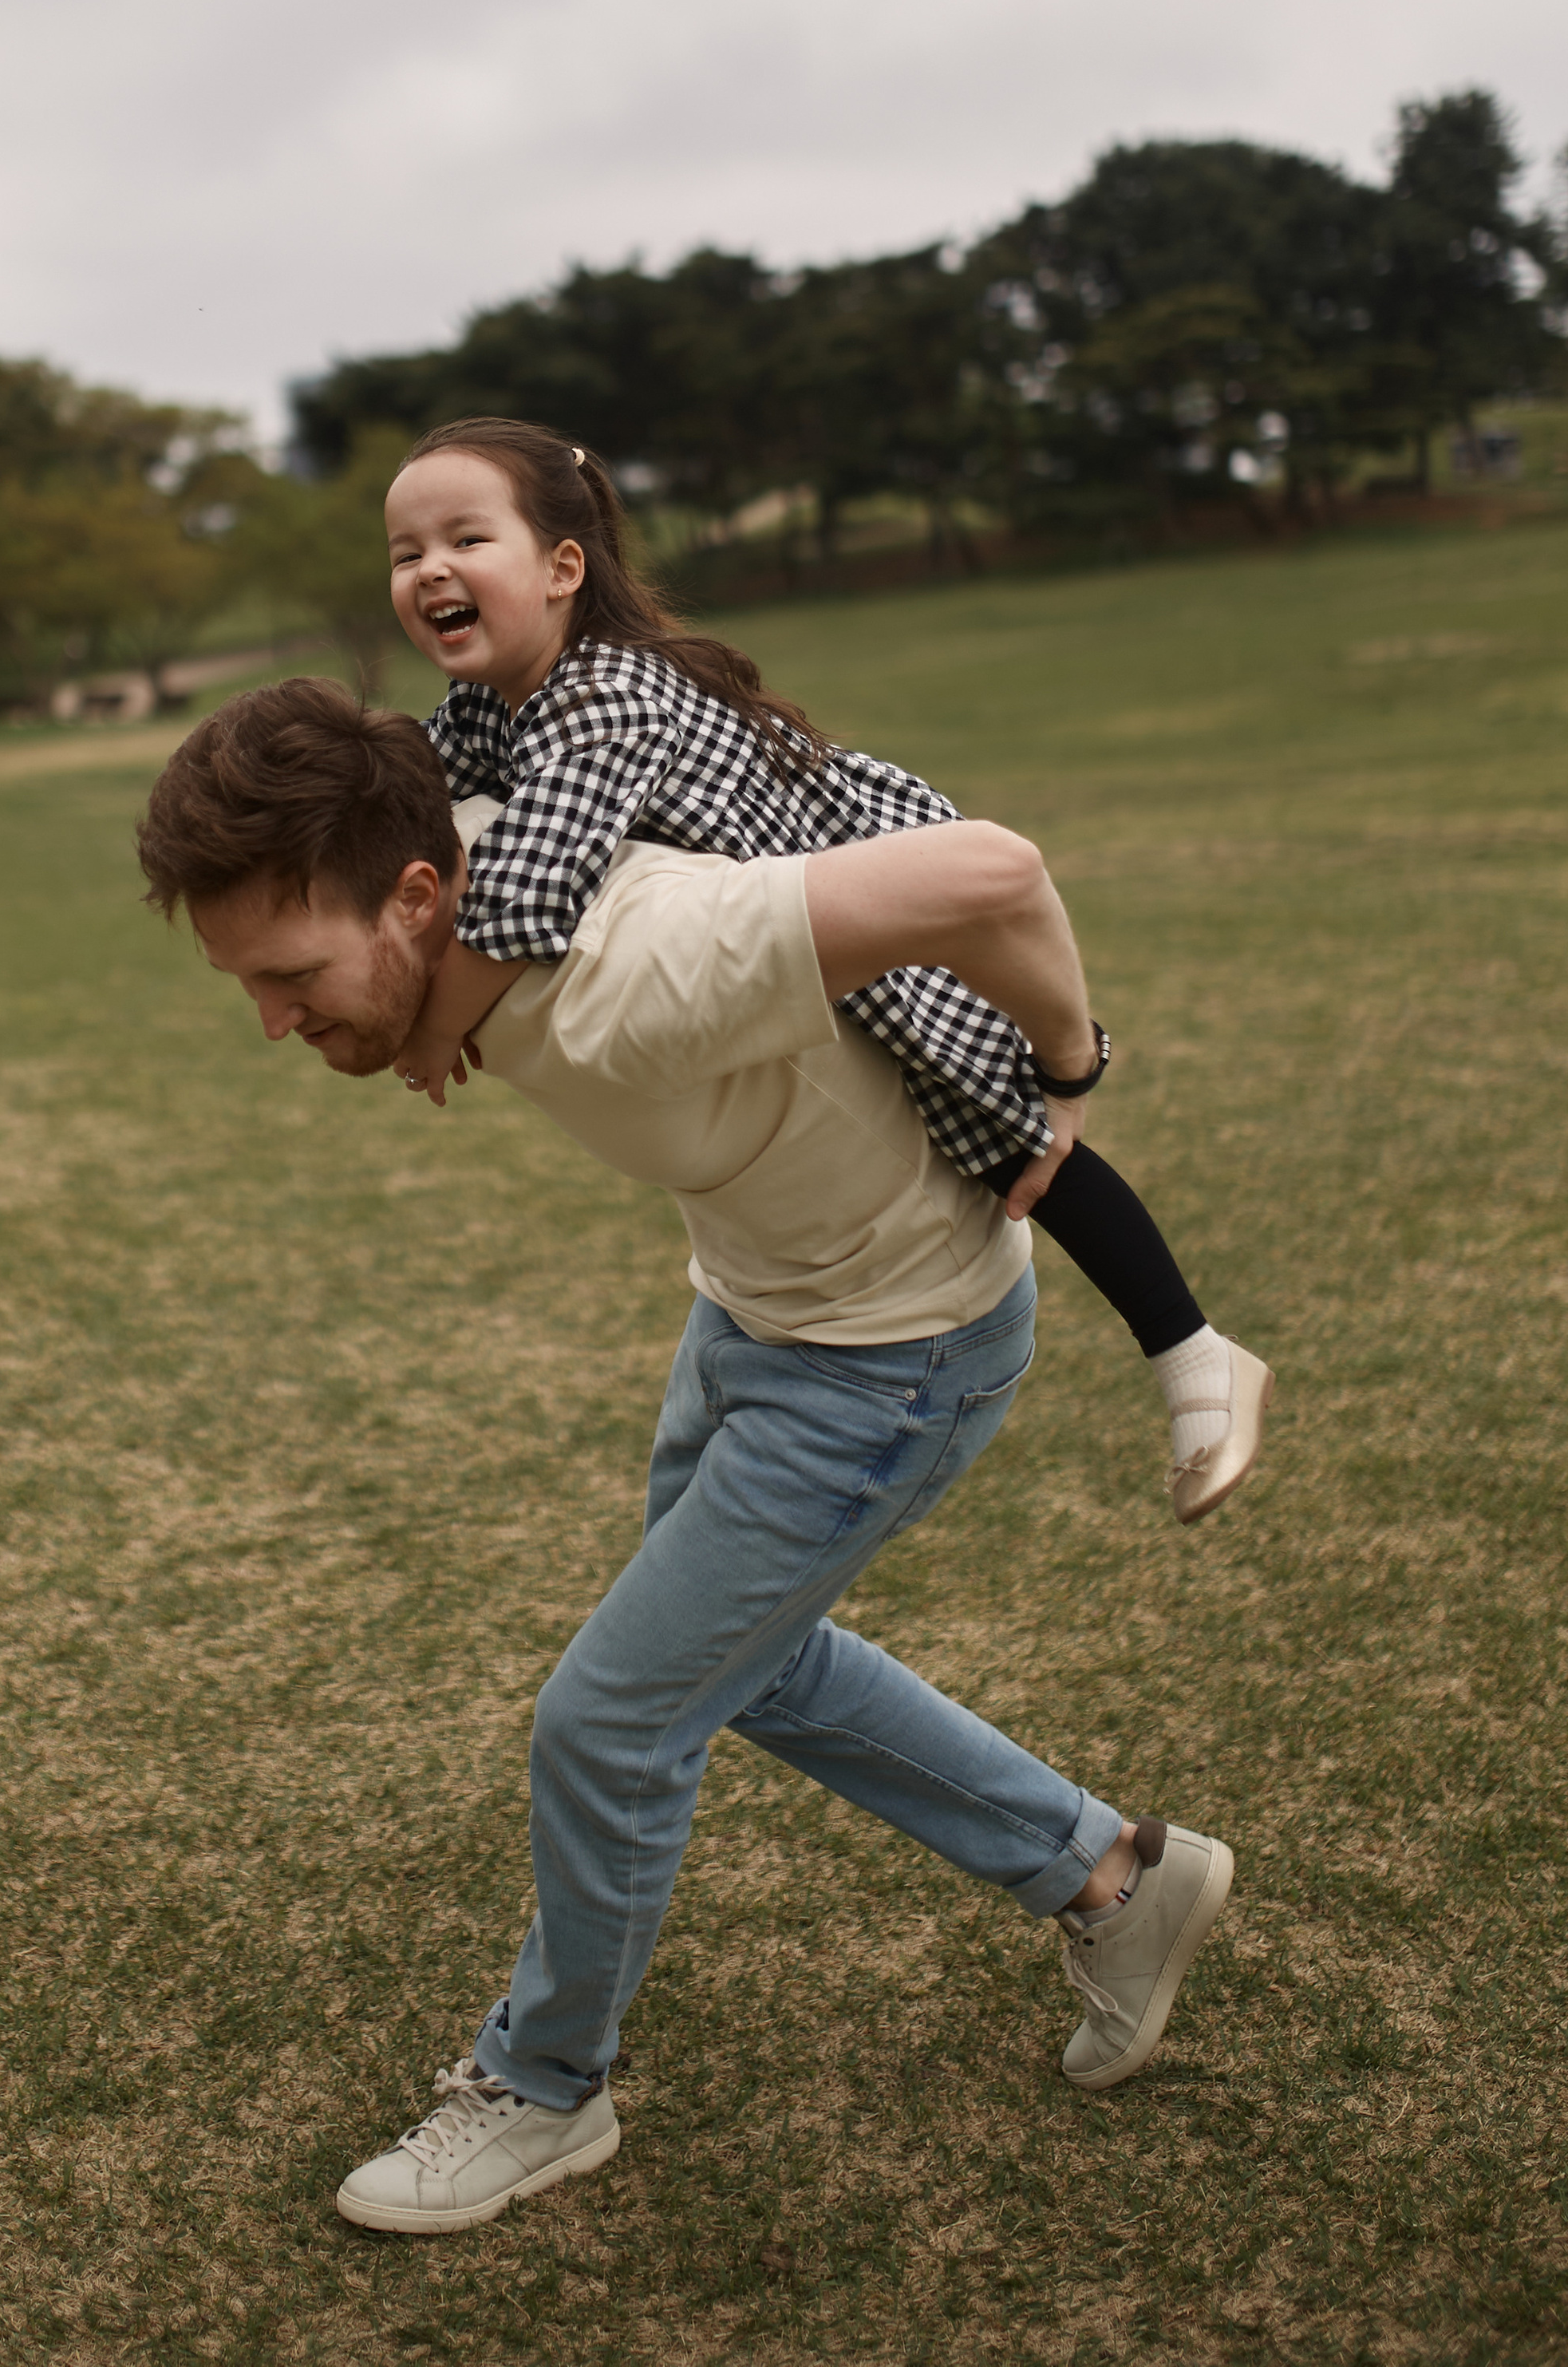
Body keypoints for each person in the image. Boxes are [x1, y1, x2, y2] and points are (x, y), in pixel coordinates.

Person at [135, 678, 1241, 2237]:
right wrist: (403, 1004)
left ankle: (545, 2088)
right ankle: (1110, 1879)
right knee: (750, 1669)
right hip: (759, 1311)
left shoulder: (629, 961)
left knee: (605, 1723)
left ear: (417, 896)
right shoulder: (448, 856)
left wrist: (1063, 1073)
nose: (268, 1020)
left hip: (890, 1359)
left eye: (291, 975)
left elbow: (986, 872)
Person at [382, 417, 1271, 1527]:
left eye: (466, 539)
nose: (430, 572)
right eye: (405, 553)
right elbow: (423, 801)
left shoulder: (603, 696)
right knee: (974, 1119)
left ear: (563, 569)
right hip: (786, 906)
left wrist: (423, 1037)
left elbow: (526, 899)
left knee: (1001, 1124)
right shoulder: (484, 706)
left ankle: (1197, 1355)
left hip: (855, 875)